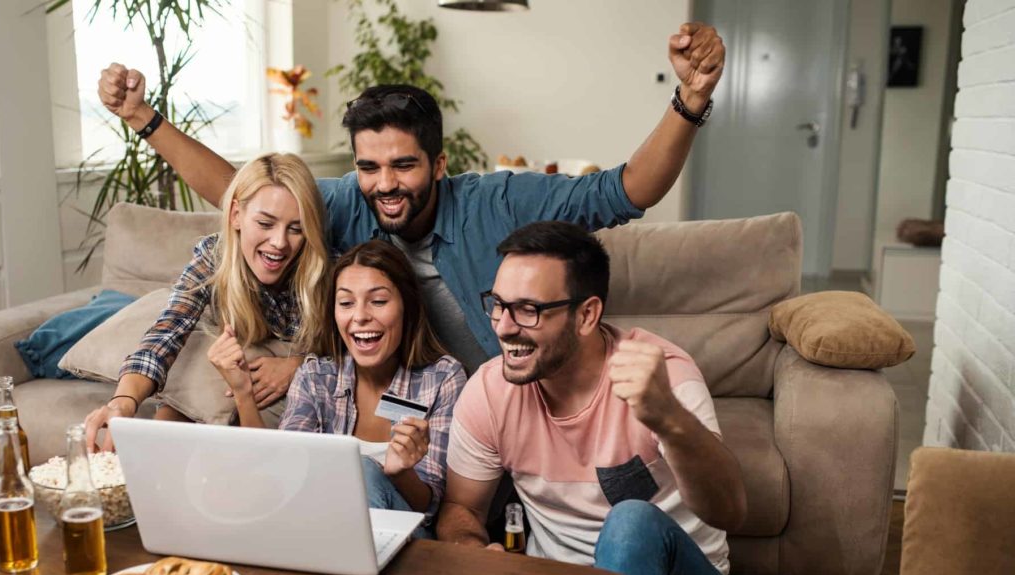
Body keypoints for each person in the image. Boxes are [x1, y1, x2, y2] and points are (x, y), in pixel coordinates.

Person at [96, 23, 725, 373]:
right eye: (370, 166)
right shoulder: (348, 203)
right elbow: (248, 193)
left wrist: (689, 101)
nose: (385, 184)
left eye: (403, 165)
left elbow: (624, 191)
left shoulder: (497, 201)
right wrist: (145, 118)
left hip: (511, 392)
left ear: (439, 163)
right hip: (418, 406)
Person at [435, 222, 747, 575]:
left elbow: (730, 511)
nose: (503, 327)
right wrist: (473, 552)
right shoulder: (490, 390)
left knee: (633, 519)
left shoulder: (662, 375)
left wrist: (669, 419)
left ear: (586, 315)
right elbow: (460, 507)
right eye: (498, 305)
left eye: (527, 310)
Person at [208, 240, 466, 531]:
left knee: (364, 471)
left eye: (378, 301)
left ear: (407, 306)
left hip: (408, 540)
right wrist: (244, 394)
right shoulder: (316, 378)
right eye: (345, 303)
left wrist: (401, 473)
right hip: (317, 530)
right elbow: (277, 478)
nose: (359, 316)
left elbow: (428, 509)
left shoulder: (443, 378)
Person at [82, 153, 329, 451]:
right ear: (236, 215)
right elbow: (166, 331)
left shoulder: (325, 269)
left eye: (296, 228)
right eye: (265, 223)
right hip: (227, 360)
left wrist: (297, 365)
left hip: (297, 378)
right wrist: (122, 402)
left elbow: (357, 349)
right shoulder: (214, 257)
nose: (279, 242)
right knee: (170, 416)